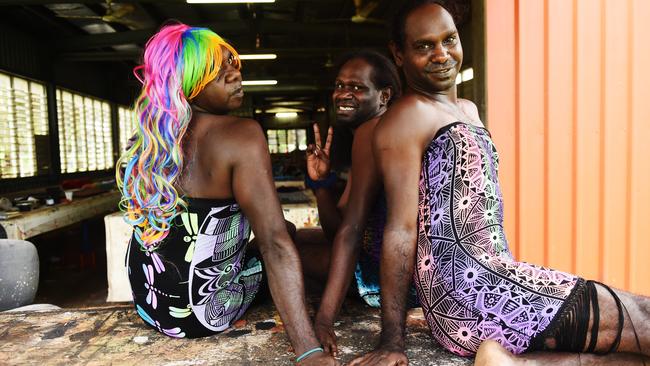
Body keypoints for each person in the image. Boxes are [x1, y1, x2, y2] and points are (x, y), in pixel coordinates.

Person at [349, 1, 650, 365]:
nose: (441, 54)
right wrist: (391, 341)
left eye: (449, 40)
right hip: (468, 289)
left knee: (632, 355)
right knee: (644, 318)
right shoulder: (408, 116)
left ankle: (510, 362)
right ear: (398, 53)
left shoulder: (469, 111)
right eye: (424, 45)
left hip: (497, 276)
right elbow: (401, 228)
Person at [115, 23, 337, 365]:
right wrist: (307, 350)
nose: (234, 76)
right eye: (217, 72)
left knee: (292, 235)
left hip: (151, 305)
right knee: (290, 242)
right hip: (202, 313)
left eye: (233, 65)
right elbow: (274, 244)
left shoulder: (152, 141)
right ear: (187, 85)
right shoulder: (240, 134)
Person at [294, 50, 418, 354]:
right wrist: (322, 184)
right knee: (294, 235)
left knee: (282, 247)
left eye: (357, 87)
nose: (343, 94)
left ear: (384, 95)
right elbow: (339, 227)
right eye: (339, 85)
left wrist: (323, 321)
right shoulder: (385, 129)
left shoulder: (370, 131)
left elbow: (348, 233)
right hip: (412, 277)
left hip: (385, 281)